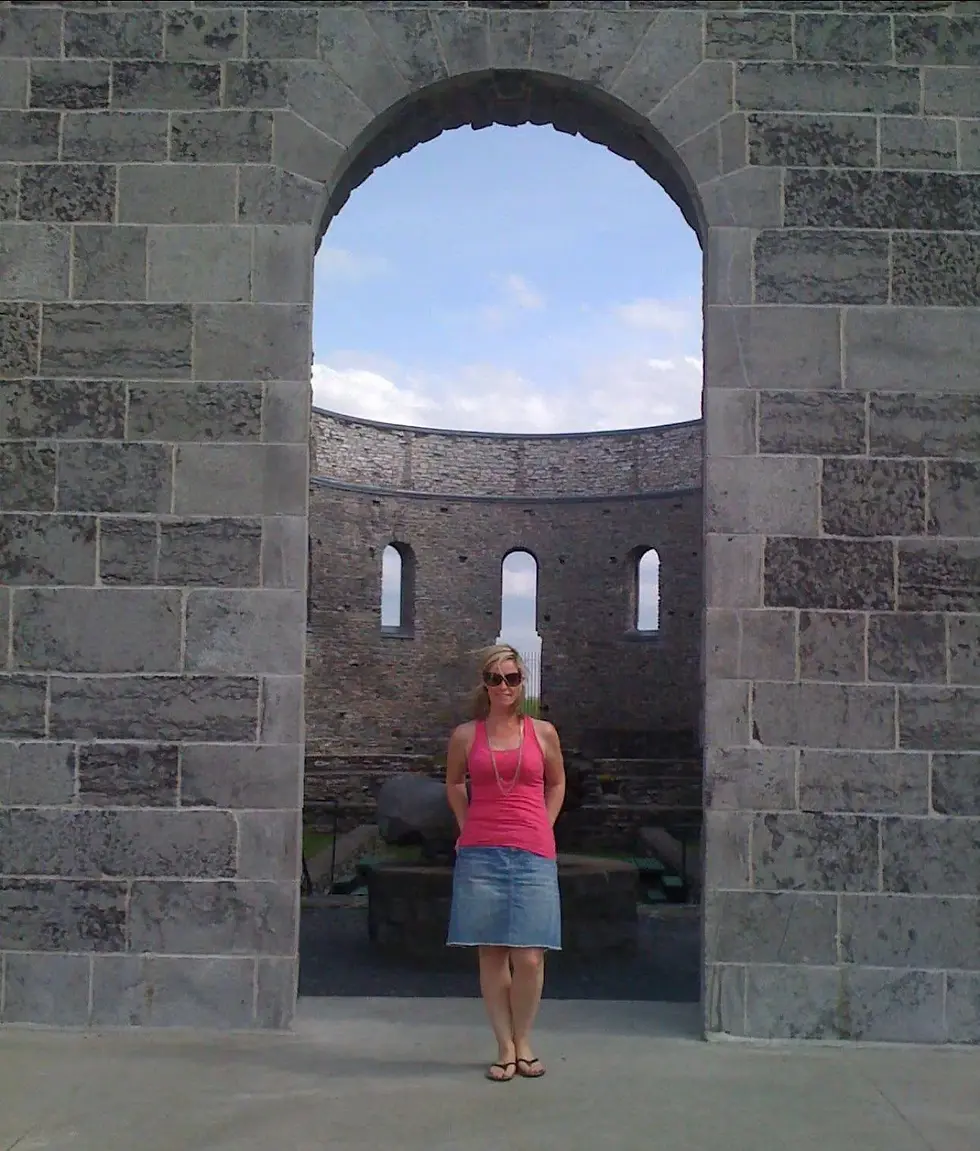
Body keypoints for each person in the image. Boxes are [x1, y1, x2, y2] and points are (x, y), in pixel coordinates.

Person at [445, 643, 566, 1082]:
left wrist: (545, 825)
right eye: (496, 678)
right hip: (481, 852)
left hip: (533, 851)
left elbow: (557, 783)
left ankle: (526, 1038)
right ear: (485, 683)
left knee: (531, 956)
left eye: (512, 678)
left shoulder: (543, 733)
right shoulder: (466, 735)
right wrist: (465, 823)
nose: (504, 686)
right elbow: (455, 783)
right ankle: (505, 1046)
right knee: (492, 953)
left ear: (522, 682)